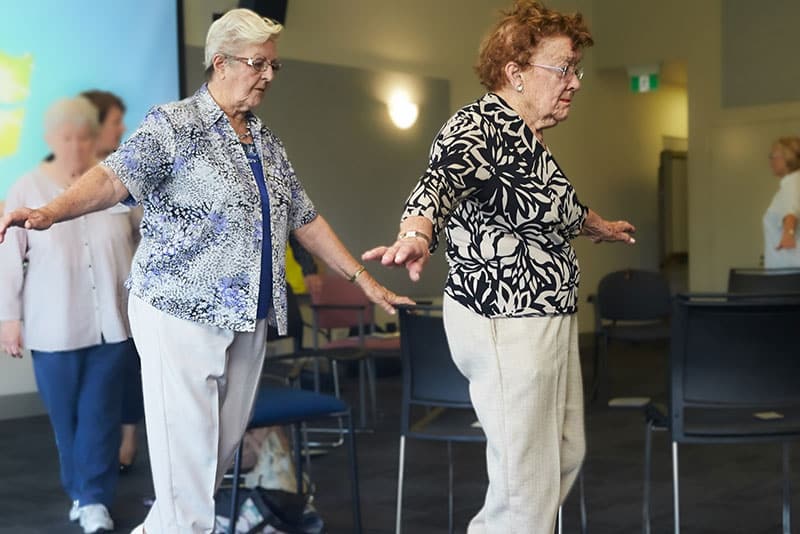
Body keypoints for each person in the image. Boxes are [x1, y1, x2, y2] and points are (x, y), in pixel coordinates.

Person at [0, 8, 410, 534]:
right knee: (188, 483)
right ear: (220, 63)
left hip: (249, 317)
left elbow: (303, 218)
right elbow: (112, 178)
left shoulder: (264, 140)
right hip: (179, 313)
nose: (268, 75)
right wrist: (50, 212)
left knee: (205, 465)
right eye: (258, 64)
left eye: (273, 67)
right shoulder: (175, 125)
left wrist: (365, 281)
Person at [363, 1, 635, 532]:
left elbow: (554, 205)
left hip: (546, 316)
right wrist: (415, 234)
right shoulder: (481, 124)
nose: (575, 82)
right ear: (516, 72)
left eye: (576, 69)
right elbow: (439, 180)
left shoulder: (527, 141)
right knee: (524, 486)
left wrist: (596, 225)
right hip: (504, 318)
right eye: (564, 68)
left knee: (561, 456)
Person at [0, 97, 140, 533]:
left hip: (113, 324)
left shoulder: (114, 182)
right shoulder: (28, 186)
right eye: (67, 138)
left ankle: (94, 499)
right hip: (54, 326)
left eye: (84, 136)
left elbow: (143, 239)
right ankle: (80, 490)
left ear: (94, 137)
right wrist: (8, 318)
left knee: (101, 415)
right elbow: (8, 255)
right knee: (68, 420)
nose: (77, 145)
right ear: (50, 139)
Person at [81, 89, 144, 475]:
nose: (122, 128)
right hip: (83, 298)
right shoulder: (66, 176)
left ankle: (127, 437)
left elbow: (142, 229)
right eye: (114, 121)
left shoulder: (130, 171)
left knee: (128, 372)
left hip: (127, 295)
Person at [763, 136, 800, 268]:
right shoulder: (794, 182)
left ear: (787, 158)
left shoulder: (792, 184)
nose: (770, 160)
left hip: (787, 273)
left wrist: (788, 234)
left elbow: (791, 213)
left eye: (773, 155)